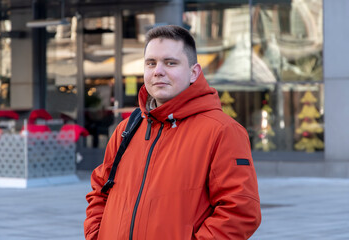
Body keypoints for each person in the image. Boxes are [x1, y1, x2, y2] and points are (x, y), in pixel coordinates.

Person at [84, 25, 261, 240]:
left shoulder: (222, 131)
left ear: (194, 72)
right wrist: (96, 235)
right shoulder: (127, 129)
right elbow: (100, 190)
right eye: (151, 63)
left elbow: (240, 211)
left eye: (170, 63)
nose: (158, 71)